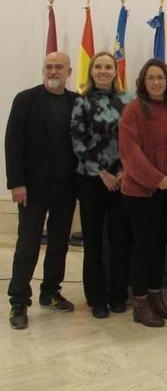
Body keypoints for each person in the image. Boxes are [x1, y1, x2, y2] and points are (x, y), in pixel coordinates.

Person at [6, 52, 78, 329]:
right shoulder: (25, 100)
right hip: (32, 189)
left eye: (58, 67)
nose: (53, 71)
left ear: (68, 71)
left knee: (59, 243)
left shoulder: (77, 103)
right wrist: (17, 183)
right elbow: (12, 143)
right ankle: (18, 301)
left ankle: (50, 292)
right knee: (28, 244)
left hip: (65, 187)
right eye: (48, 67)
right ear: (43, 70)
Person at [119, 59, 167, 328]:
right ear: (143, 82)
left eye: (160, 77)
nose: (156, 82)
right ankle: (140, 303)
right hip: (141, 192)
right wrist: (156, 179)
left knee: (160, 245)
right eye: (151, 78)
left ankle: (155, 296)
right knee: (144, 246)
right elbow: (129, 152)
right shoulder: (134, 111)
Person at [70, 51, 133, 319]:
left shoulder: (128, 101)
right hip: (92, 180)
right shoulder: (81, 102)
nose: (104, 71)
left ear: (114, 72)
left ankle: (118, 294)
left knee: (120, 239)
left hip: (123, 180)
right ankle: (96, 297)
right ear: (91, 71)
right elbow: (78, 142)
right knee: (94, 240)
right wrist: (103, 173)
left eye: (108, 67)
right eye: (99, 67)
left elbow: (134, 140)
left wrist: (122, 171)